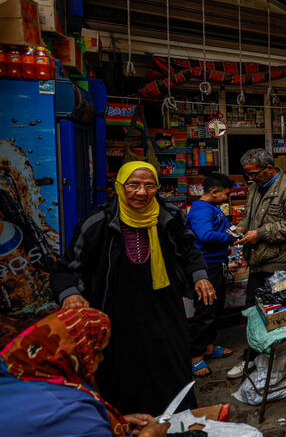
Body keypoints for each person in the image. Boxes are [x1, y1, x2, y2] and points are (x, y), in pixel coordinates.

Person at [51, 161, 214, 415]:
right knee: (122, 371)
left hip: (164, 308)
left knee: (170, 365)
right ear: (119, 186)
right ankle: (126, 424)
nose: (142, 192)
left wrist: (199, 276)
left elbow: (188, 249)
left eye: (149, 185)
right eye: (133, 185)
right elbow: (67, 268)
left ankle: (175, 422)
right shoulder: (97, 223)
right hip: (117, 311)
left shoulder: (169, 217)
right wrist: (70, 294)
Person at [0, 307, 170, 437]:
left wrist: (112, 422)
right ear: (74, 355)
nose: (101, 359)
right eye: (97, 352)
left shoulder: (10, 379)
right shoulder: (71, 411)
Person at [228, 149, 286, 378]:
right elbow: (249, 216)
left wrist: (260, 234)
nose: (250, 178)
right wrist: (243, 227)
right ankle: (255, 359)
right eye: (247, 174)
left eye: (253, 173)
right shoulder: (256, 187)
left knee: (279, 316)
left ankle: (282, 363)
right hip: (258, 260)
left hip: (280, 264)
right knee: (254, 313)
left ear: (269, 169)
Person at [186, 172, 236, 377]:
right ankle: (195, 355)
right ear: (214, 192)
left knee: (215, 307)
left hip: (217, 264)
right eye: (226, 194)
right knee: (205, 310)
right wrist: (230, 236)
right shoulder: (201, 210)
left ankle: (208, 346)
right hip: (207, 267)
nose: (228, 197)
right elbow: (205, 235)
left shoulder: (211, 208)